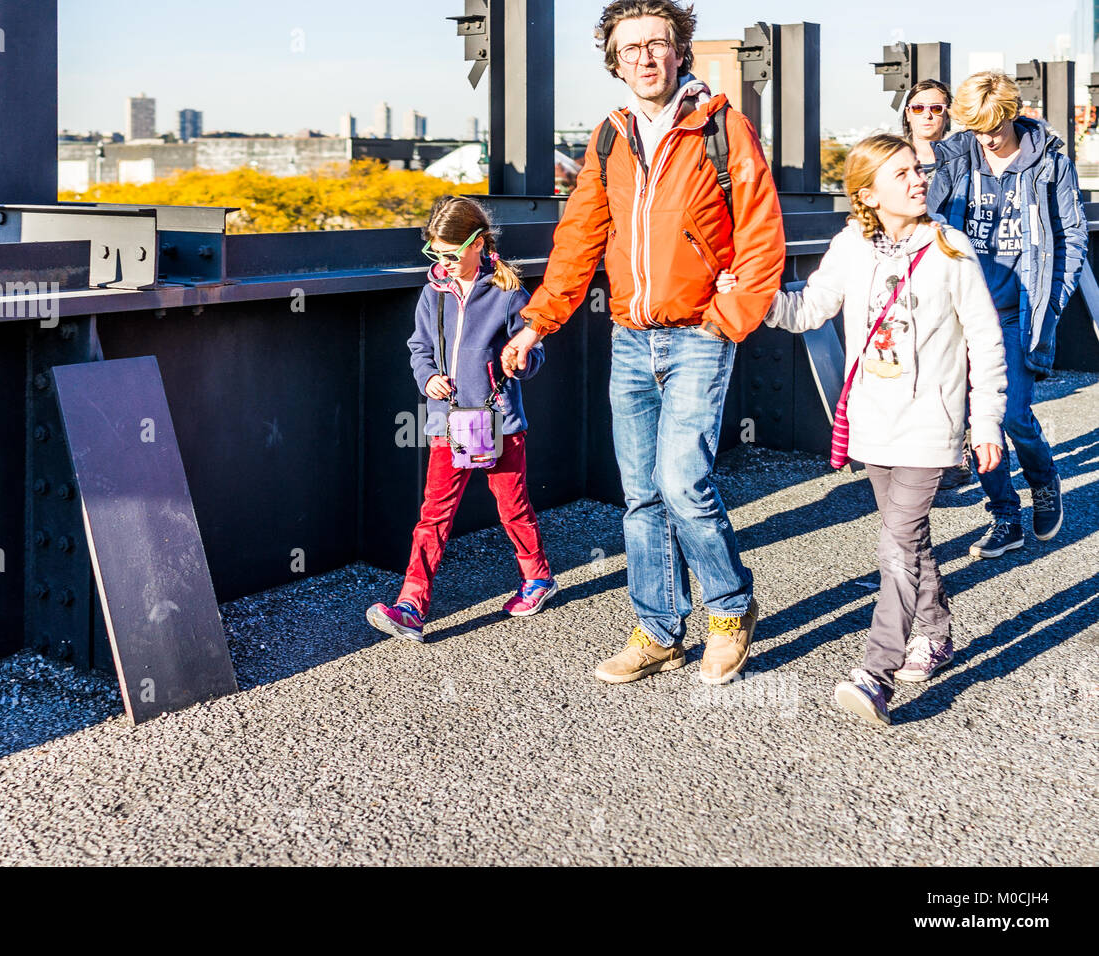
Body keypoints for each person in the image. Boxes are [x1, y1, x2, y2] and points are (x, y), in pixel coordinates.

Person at [502, 0, 785, 685]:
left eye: (657, 44)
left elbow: (760, 232)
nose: (646, 58)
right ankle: (658, 630)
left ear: (679, 51)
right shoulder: (610, 138)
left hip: (698, 333)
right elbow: (578, 240)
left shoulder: (721, 127)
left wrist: (727, 316)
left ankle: (729, 608)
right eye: (631, 49)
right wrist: (538, 320)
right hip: (631, 338)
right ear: (615, 61)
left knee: (684, 482)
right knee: (640, 496)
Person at [722, 134, 1007, 725]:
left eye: (918, 170)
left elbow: (985, 341)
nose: (918, 180)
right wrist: (751, 298)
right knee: (909, 540)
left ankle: (876, 671)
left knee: (896, 542)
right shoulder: (852, 244)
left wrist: (987, 421)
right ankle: (936, 631)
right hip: (873, 422)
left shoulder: (951, 248)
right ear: (868, 193)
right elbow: (810, 309)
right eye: (902, 173)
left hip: (932, 423)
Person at [366, 196, 556, 643]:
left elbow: (535, 351)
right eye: (436, 254)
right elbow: (419, 348)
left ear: (477, 244)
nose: (444, 263)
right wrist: (427, 377)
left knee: (512, 506)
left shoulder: (509, 294)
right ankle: (412, 605)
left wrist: (519, 361)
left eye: (451, 254)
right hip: (447, 423)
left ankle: (537, 578)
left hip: (499, 421)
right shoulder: (432, 293)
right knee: (434, 514)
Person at [926, 71, 1087, 558]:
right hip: (963, 312)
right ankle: (1004, 516)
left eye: (993, 129)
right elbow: (929, 225)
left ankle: (1043, 480)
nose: (986, 140)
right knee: (978, 421)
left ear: (1012, 114)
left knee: (1014, 414)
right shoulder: (954, 160)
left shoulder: (1051, 164)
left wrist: (1053, 301)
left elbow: (1071, 237)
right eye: (975, 130)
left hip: (1019, 313)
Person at [903, 79, 973, 491]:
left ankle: (955, 451)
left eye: (937, 108)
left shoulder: (964, 157)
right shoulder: (892, 155)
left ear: (949, 114)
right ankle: (913, 451)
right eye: (919, 108)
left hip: (953, 266)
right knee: (913, 359)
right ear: (907, 112)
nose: (928, 116)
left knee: (954, 362)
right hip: (908, 269)